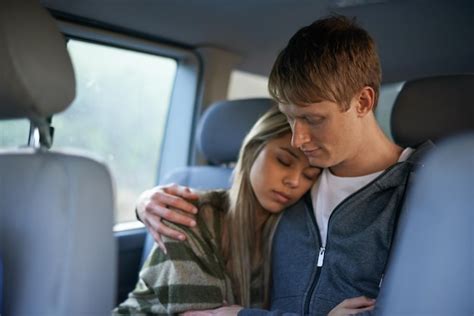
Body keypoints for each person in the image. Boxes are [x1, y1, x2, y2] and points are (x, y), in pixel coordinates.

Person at [136, 16, 434, 315]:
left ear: (363, 102)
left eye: (313, 119)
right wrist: (148, 200)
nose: (298, 139)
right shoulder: (292, 189)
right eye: (290, 117)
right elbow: (231, 210)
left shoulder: (430, 191)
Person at [114, 107, 321, 315]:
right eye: (284, 161)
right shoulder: (187, 213)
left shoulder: (296, 236)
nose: (294, 181)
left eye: (309, 175)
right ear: (253, 149)